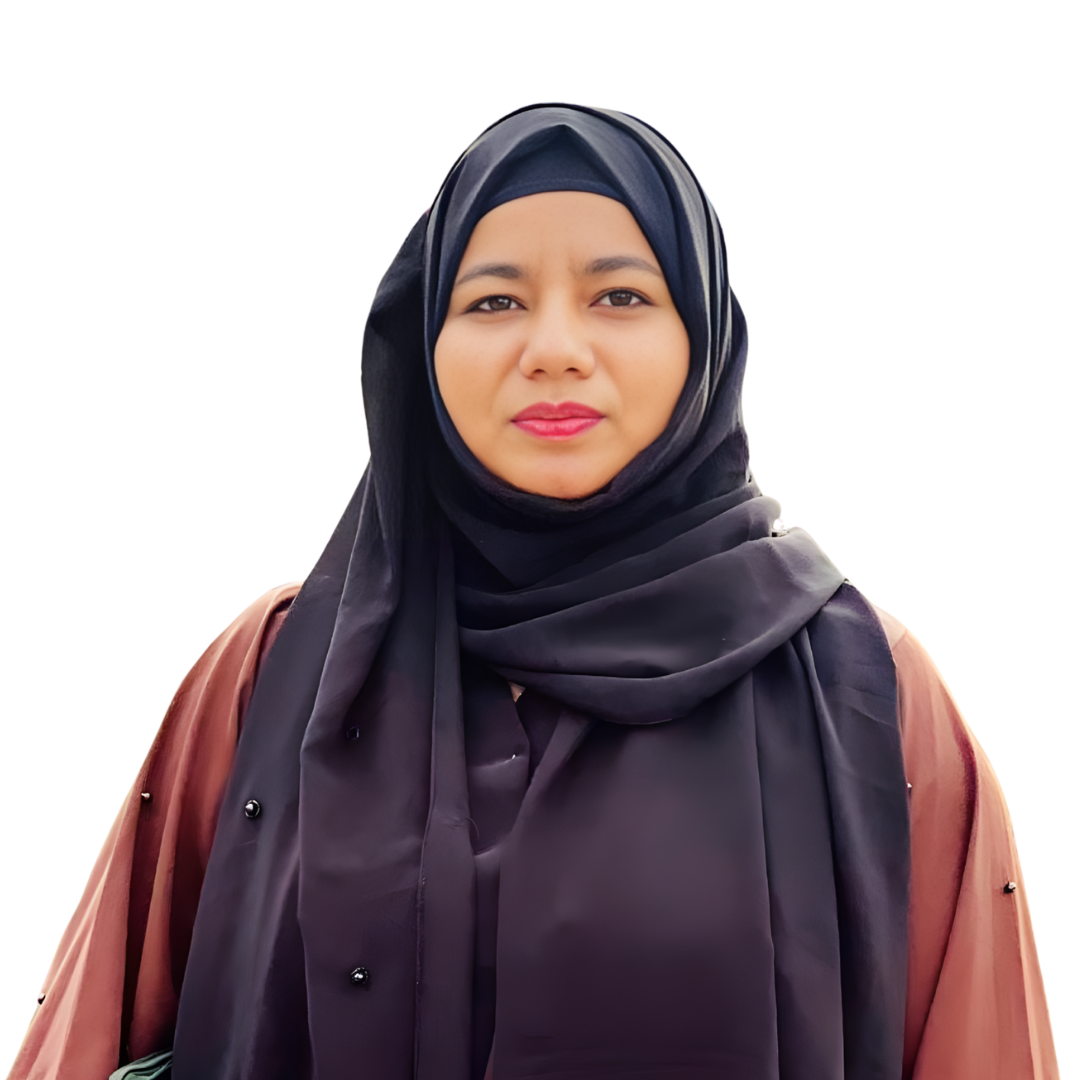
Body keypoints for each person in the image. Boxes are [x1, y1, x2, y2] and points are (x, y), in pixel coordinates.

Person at [9, 105, 1058, 1080]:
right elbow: (98, 1027)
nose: (554, 350)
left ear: (702, 336)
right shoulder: (280, 667)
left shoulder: (859, 686)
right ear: (422, 346)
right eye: (494, 300)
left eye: (621, 296)